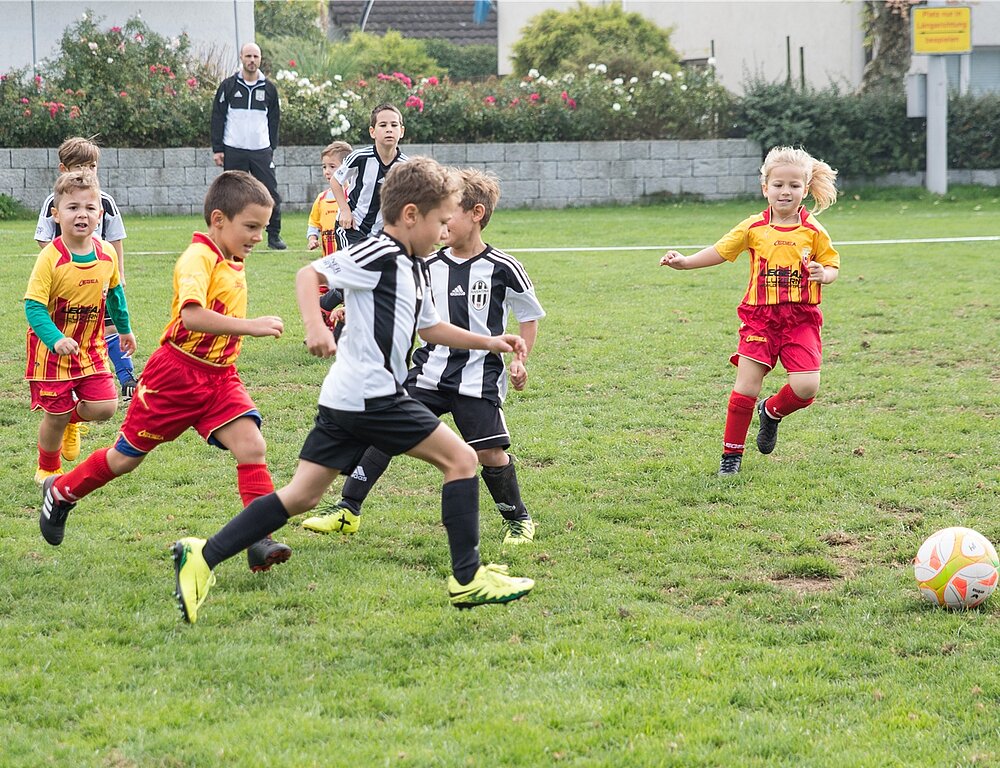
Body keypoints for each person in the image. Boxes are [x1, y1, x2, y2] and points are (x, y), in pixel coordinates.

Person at [171, 157, 535, 624]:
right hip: (373, 396)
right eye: (440, 221)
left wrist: (489, 341)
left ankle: (202, 556)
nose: (445, 231)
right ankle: (467, 578)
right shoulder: (379, 253)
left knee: (301, 495)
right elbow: (309, 276)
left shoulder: (415, 265)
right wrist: (315, 328)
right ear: (410, 215)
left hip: (346, 399)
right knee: (461, 460)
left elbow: (430, 328)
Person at [39, 171, 293, 574]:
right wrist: (252, 325)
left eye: (262, 227)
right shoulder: (198, 258)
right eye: (251, 226)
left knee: (253, 447)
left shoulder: (232, 255)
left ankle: (257, 539)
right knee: (124, 460)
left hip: (220, 377)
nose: (258, 236)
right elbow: (191, 316)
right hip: (174, 376)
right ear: (218, 219)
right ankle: (63, 491)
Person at [303, 168, 545, 547]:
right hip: (428, 371)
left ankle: (518, 518)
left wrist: (519, 359)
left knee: (489, 451)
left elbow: (528, 315)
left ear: (476, 213)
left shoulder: (503, 267)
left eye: (450, 214)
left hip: (477, 376)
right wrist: (348, 307)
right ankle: (348, 508)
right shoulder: (427, 264)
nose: (444, 223)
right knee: (384, 430)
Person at [660, 145, 840, 476]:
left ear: (805, 188)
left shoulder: (814, 231)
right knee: (746, 386)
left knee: (806, 388)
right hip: (760, 318)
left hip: (801, 319)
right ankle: (731, 457)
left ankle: (770, 412)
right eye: (778, 185)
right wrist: (685, 263)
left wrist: (822, 274)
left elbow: (832, 266)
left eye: (794, 186)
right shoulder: (753, 227)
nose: (786, 192)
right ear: (765, 187)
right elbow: (719, 251)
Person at [25, 170, 135, 486]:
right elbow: (33, 306)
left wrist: (125, 330)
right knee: (55, 414)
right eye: (73, 208)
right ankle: (47, 468)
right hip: (51, 352)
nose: (82, 214)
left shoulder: (107, 253)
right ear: (56, 215)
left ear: (100, 214)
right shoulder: (50, 258)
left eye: (89, 207)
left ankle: (71, 422)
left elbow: (114, 293)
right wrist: (56, 339)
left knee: (105, 407)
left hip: (90, 347)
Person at [35, 136, 140, 405]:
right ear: (63, 169)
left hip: (100, 277)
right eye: (78, 167)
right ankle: (66, 380)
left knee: (111, 325)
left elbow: (116, 239)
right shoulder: (53, 202)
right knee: (70, 327)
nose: (85, 172)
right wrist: (57, 268)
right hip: (67, 282)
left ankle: (126, 376)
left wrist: (120, 273)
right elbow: (43, 238)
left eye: (91, 166)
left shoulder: (105, 201)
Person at [210, 42, 286, 251]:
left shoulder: (269, 89)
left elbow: (274, 121)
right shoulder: (228, 86)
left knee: (269, 192)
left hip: (261, 150)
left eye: (256, 57)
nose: (252, 60)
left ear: (260, 60)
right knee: (231, 193)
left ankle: (274, 236)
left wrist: (271, 148)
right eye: (248, 56)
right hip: (233, 148)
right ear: (241, 58)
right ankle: (224, 235)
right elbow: (218, 117)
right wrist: (218, 149)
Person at [329, 103, 409, 250]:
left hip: (382, 233)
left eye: (394, 125)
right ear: (372, 132)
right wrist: (345, 210)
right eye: (383, 125)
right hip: (352, 227)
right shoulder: (360, 157)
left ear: (401, 131)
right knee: (355, 266)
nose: (389, 129)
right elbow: (335, 180)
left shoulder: (406, 166)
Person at [307, 141, 352, 334]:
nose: (327, 171)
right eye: (324, 167)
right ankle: (322, 329)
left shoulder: (353, 196)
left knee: (347, 294)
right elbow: (313, 222)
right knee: (323, 293)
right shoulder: (322, 198)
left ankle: (343, 329)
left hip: (346, 260)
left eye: (332, 166)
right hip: (327, 260)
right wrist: (312, 238)